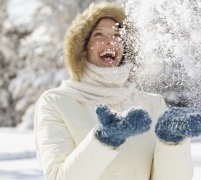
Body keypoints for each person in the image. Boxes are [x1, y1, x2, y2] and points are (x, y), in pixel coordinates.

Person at [34, 2, 201, 180]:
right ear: (82, 47)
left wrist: (172, 143)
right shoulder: (56, 103)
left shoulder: (152, 104)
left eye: (117, 34)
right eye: (99, 35)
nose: (110, 41)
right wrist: (103, 140)